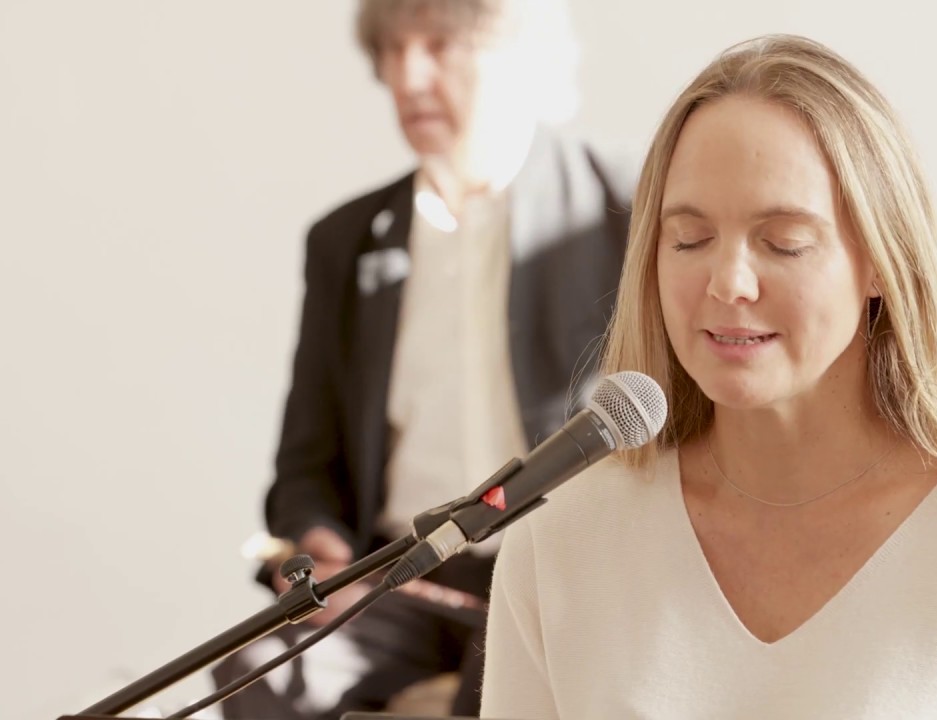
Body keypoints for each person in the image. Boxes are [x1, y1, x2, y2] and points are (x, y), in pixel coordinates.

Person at [480, 34, 937, 719]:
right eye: (689, 239)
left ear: (882, 261)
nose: (728, 282)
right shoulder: (562, 538)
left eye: (784, 243)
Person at [210, 0, 635, 717]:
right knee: (257, 676)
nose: (407, 78)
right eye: (392, 49)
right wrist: (319, 549)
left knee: (499, 692)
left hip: (562, 580)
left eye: (440, 45)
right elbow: (307, 465)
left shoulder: (624, 205)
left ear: (519, 52)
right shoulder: (345, 241)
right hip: (398, 577)